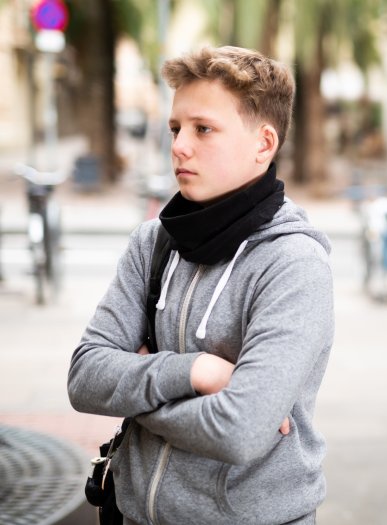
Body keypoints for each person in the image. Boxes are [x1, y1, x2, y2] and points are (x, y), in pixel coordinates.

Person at [68, 46, 334, 525]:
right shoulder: (154, 242)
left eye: (203, 129)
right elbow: (86, 377)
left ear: (264, 143)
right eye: (175, 128)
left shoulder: (294, 263)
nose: (179, 146)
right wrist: (196, 372)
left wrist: (138, 394)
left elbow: (240, 431)